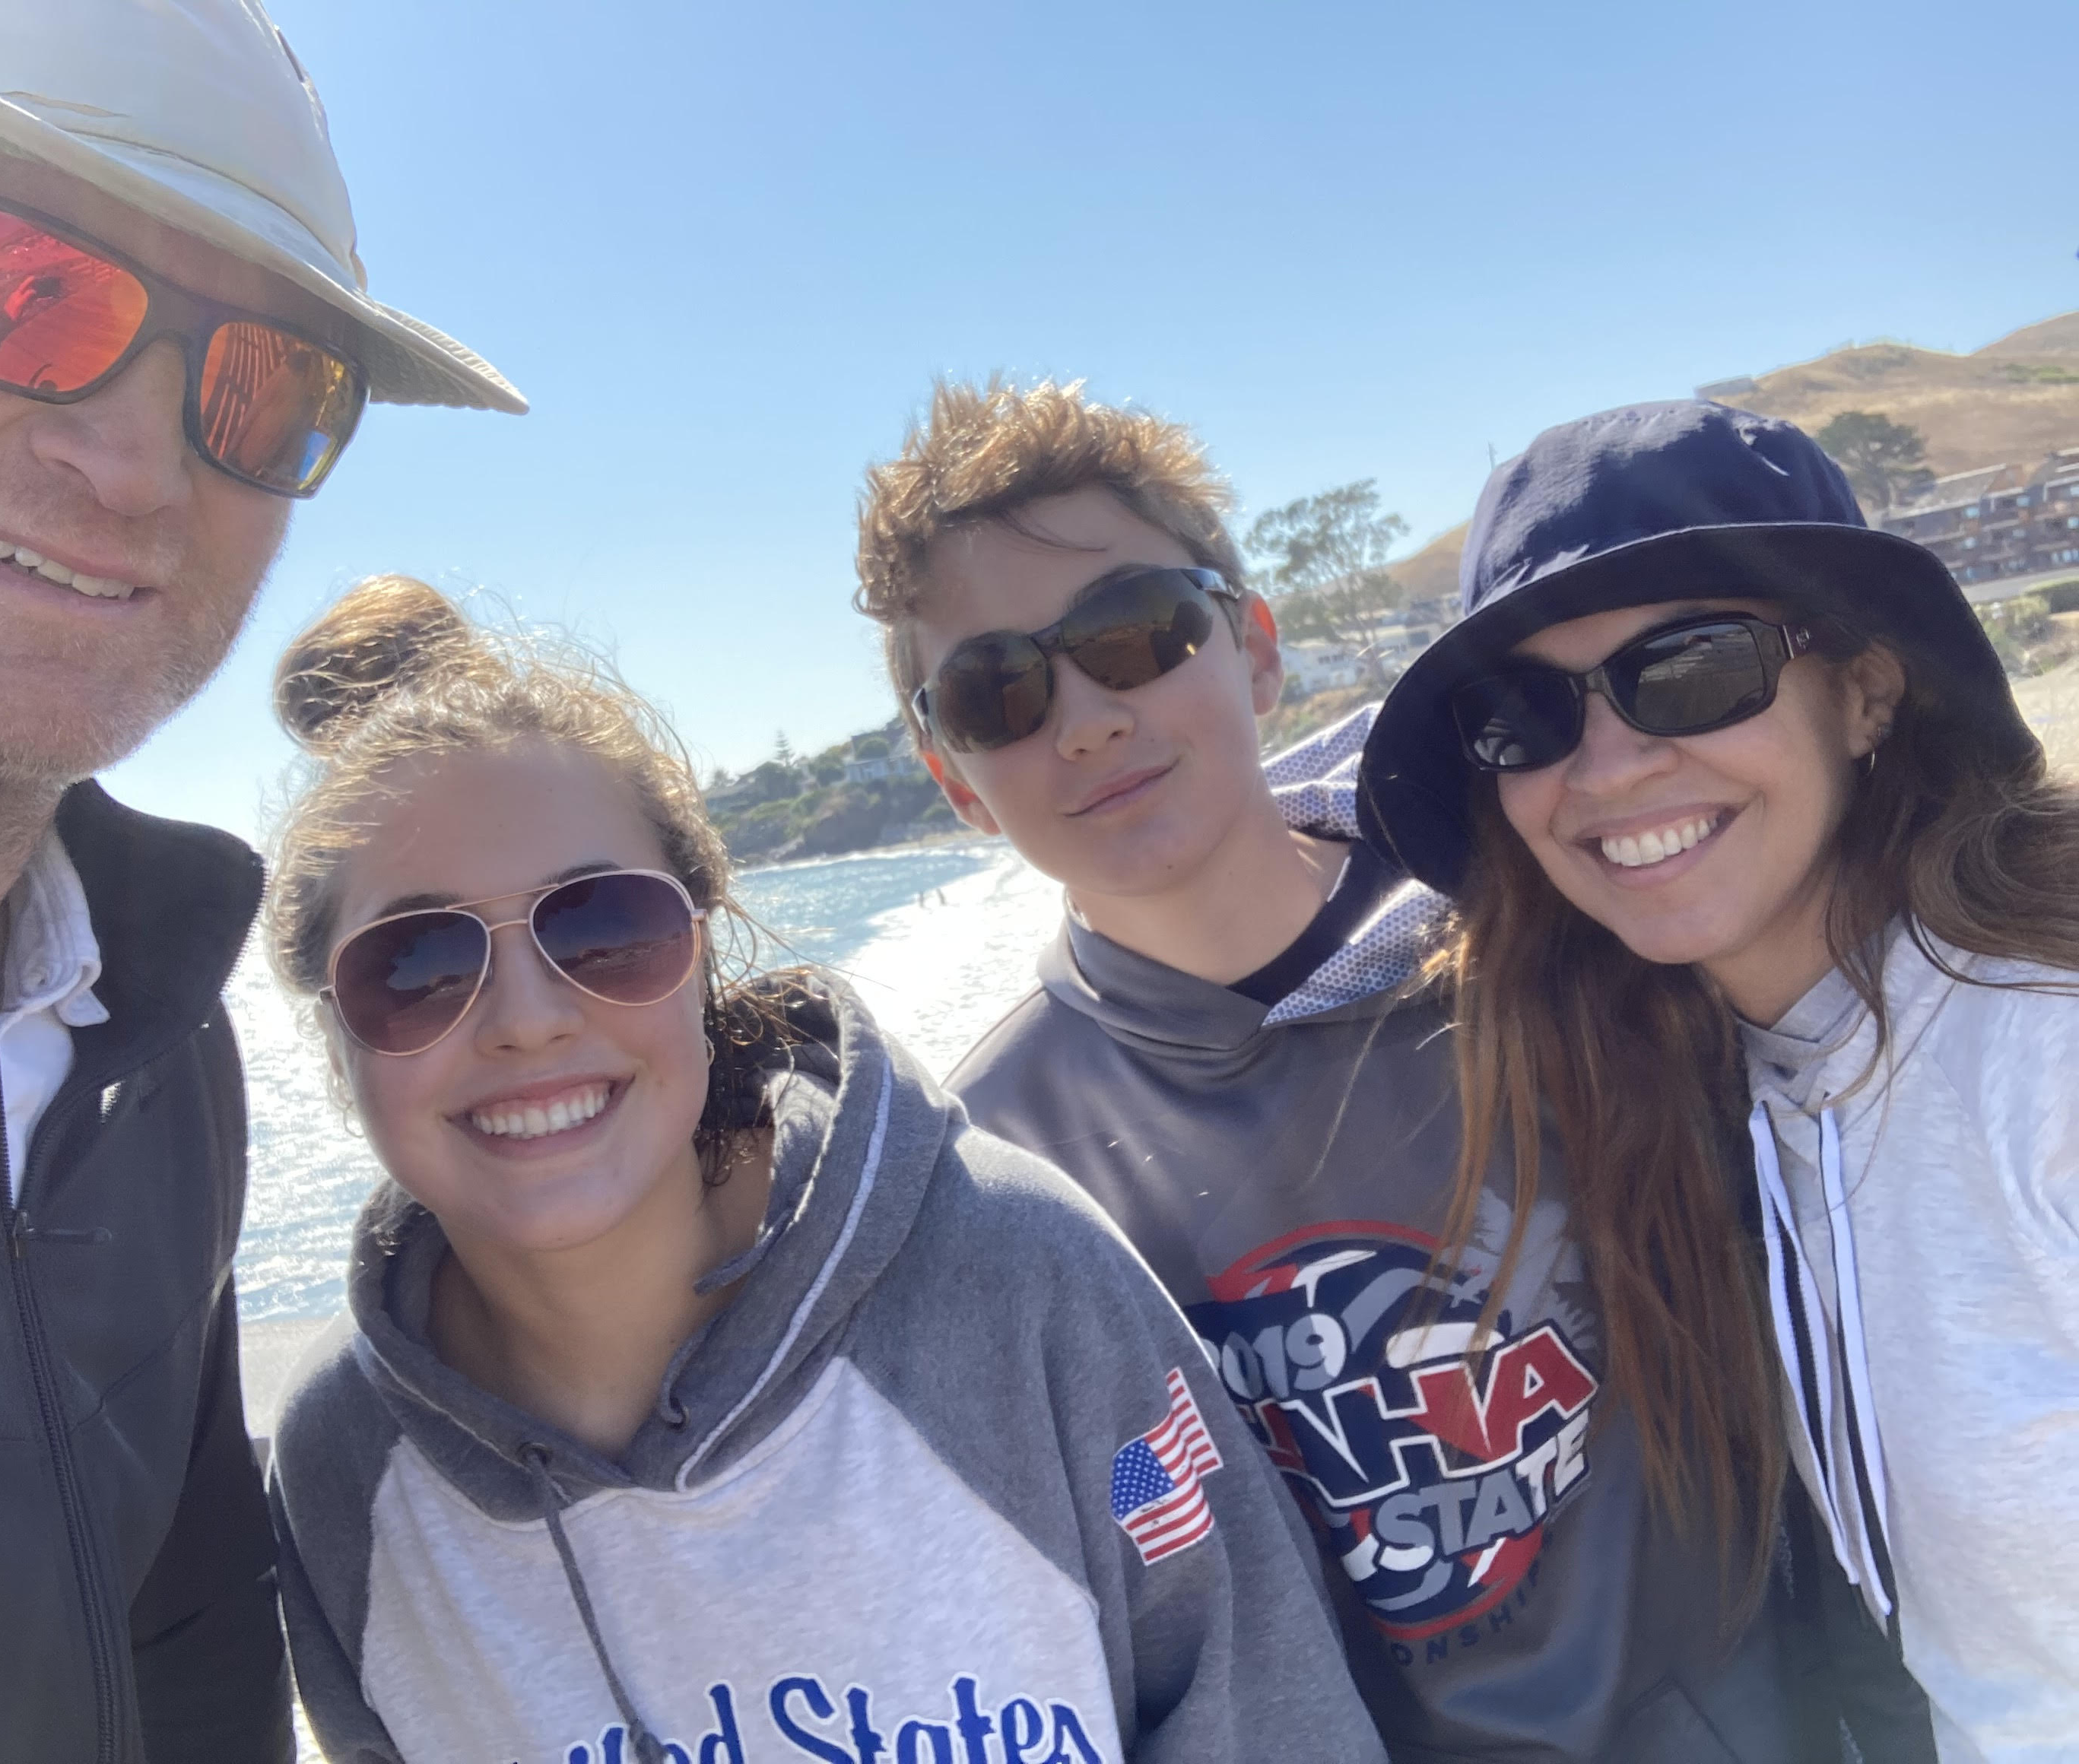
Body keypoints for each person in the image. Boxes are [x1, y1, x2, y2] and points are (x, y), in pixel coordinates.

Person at [0, 2, 522, 1757]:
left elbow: (187, 1640)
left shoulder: (153, 1045)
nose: (138, 463)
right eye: (11, 289)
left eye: (262, 386)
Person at [852, 381, 1842, 1759]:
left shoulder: (1568, 934)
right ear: (955, 776)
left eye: (1134, 635)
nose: (1081, 718)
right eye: (996, 689)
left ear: (1252, 648)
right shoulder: (996, 1171)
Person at [259, 575, 1386, 1764]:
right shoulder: (345, 1464)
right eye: (418, 966)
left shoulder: (1015, 1290)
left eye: (601, 929)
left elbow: (1262, 1713)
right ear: (332, 1029)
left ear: (700, 955)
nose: (527, 1020)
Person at [1357, 398, 2078, 1763]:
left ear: (1866, 693)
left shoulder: (2043, 1047)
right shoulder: (1722, 1093)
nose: (1610, 766)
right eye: (1524, 714)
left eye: (1691, 669)